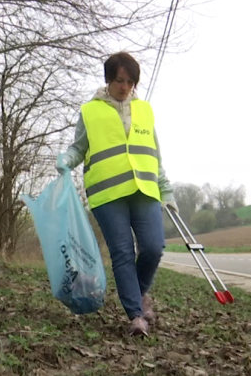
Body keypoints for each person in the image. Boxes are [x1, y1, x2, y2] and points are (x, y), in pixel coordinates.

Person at [56, 52, 178, 336]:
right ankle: (136, 316)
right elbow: (79, 148)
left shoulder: (144, 110)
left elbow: (153, 155)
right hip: (107, 193)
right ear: (108, 80)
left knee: (153, 247)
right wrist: (65, 160)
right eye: (119, 80)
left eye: (130, 82)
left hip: (144, 189)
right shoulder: (90, 111)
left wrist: (167, 190)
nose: (124, 87)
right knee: (123, 253)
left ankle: (140, 292)